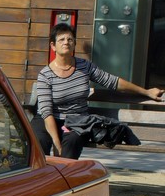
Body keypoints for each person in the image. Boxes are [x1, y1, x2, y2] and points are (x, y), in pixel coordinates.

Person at [32, 23, 163, 159]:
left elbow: (113, 82)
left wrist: (146, 92)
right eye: (62, 39)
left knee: (72, 141)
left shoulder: (84, 66)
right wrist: (56, 143)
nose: (66, 42)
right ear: (53, 46)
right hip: (47, 119)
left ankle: (65, 177)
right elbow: (47, 113)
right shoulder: (45, 75)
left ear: (74, 43)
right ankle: (41, 177)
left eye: (70, 39)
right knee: (39, 141)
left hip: (76, 120)